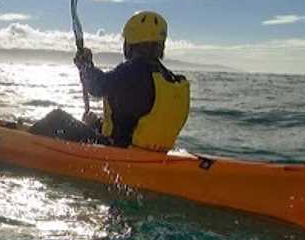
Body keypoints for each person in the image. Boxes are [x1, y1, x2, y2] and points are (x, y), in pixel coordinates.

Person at [30, 11, 190, 152]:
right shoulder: (169, 78)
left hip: (118, 154)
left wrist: (86, 65)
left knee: (57, 118)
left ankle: (23, 142)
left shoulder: (132, 70)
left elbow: (96, 87)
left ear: (129, 43)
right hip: (150, 154)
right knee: (92, 122)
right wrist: (97, 124)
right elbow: (132, 120)